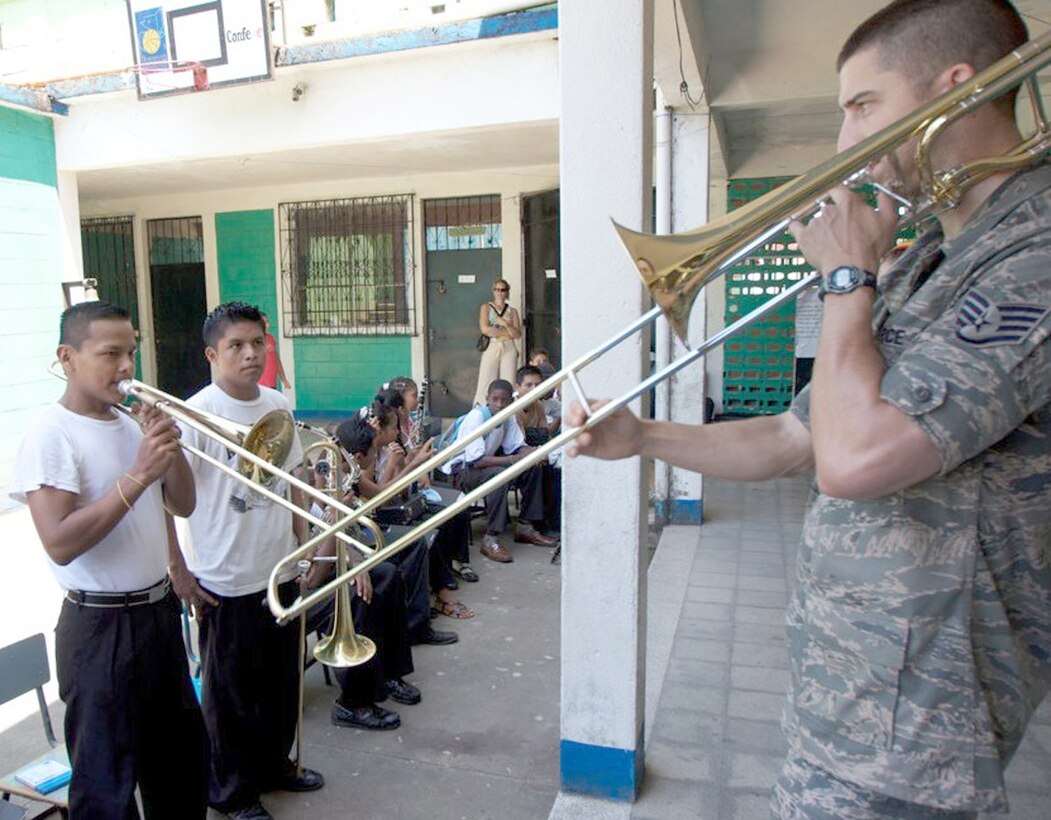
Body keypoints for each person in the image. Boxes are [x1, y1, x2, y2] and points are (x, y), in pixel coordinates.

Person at [567, 1, 1050, 817]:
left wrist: (845, 281)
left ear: (957, 91)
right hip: (851, 692)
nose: (843, 143)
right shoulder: (933, 252)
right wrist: (642, 434)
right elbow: (797, 437)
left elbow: (855, 460)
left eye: (862, 106)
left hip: (920, 726)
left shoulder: (1028, 256)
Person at [8, 301, 208, 819]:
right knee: (106, 786)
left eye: (131, 353)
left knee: (180, 765)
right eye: (110, 354)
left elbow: (182, 504)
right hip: (98, 627)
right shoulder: (50, 433)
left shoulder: (129, 424)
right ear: (67, 357)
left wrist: (171, 449)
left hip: (158, 615)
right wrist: (140, 473)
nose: (125, 368)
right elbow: (60, 541)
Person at [175, 302, 322, 820]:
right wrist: (179, 571)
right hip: (223, 577)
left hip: (278, 569)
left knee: (280, 683)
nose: (250, 353)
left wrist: (303, 547)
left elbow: (295, 484)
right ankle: (232, 792)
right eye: (237, 345)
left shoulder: (277, 402)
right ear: (212, 354)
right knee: (230, 697)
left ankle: (273, 765)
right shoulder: (194, 413)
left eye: (258, 343)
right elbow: (169, 499)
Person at [303, 464, 420, 731]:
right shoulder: (284, 512)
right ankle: (352, 703)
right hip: (299, 595)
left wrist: (355, 563)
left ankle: (390, 673)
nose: (308, 475)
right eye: (307, 471)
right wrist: (336, 520)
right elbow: (312, 579)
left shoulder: (310, 506)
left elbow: (346, 548)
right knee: (356, 596)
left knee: (388, 574)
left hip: (327, 578)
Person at [442, 379, 558, 563]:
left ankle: (525, 526)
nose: (500, 404)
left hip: (486, 467)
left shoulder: (508, 416)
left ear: (511, 402)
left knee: (533, 467)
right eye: (495, 399)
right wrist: (514, 460)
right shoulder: (477, 417)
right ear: (487, 399)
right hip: (462, 472)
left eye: (504, 400)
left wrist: (534, 453)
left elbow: (517, 446)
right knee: (498, 475)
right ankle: (491, 538)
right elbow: (477, 461)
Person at [473, 278, 522, 405]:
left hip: (508, 346)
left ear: (507, 292)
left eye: (503, 290)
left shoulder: (512, 311)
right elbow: (485, 329)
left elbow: (517, 334)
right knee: (486, 377)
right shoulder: (486, 308)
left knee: (509, 378)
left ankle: (509, 408)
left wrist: (505, 323)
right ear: (493, 291)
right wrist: (507, 332)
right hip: (492, 344)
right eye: (497, 290)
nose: (500, 293)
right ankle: (482, 406)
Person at [259, 311, 291, 391]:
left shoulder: (271, 338)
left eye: (267, 322)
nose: (267, 325)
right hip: (259, 384)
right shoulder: (252, 340)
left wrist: (284, 379)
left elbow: (276, 360)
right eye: (264, 322)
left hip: (271, 382)